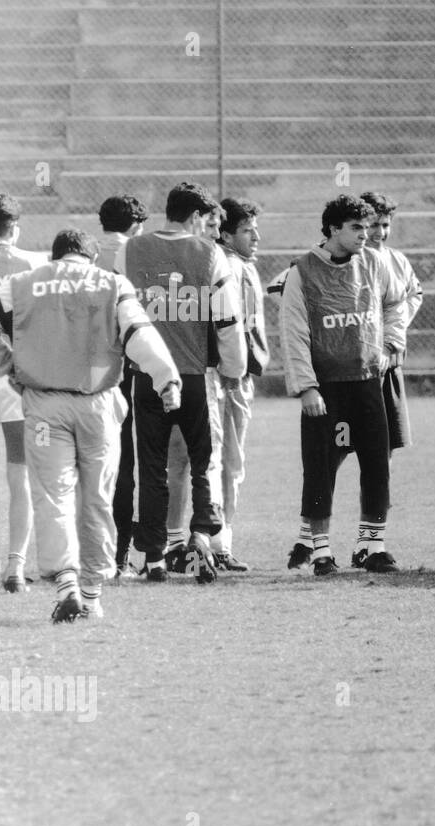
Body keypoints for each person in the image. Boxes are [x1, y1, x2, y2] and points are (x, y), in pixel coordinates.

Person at [0, 229, 180, 622]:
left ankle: (66, 583)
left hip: (44, 403)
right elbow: (138, 333)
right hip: (98, 404)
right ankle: (93, 592)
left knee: (53, 495)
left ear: (55, 256)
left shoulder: (20, 284)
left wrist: (10, 366)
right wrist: (167, 378)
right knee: (97, 496)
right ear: (90, 258)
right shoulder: (112, 283)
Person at [117, 182, 246, 583]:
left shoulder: (129, 250)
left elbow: (118, 310)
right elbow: (227, 322)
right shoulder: (212, 256)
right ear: (194, 218)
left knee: (151, 466)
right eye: (206, 220)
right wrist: (234, 368)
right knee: (204, 463)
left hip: (146, 378)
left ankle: (154, 558)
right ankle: (201, 534)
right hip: (194, 377)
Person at [279, 194, 408, 576]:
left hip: (369, 380)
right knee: (319, 468)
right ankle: (321, 552)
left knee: (376, 464)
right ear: (333, 229)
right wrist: (306, 387)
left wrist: (389, 345)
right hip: (326, 388)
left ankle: (374, 546)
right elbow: (294, 333)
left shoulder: (374, 262)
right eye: (356, 227)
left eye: (368, 227)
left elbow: (395, 303)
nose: (365, 234)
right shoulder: (302, 271)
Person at [353, 191, 423, 568]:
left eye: (384, 225)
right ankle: (316, 544)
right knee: (333, 455)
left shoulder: (397, 260)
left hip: (387, 369)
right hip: (352, 371)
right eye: (372, 225)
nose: (379, 232)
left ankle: (368, 541)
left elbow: (413, 295)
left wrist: (392, 340)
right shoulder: (349, 260)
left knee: (383, 457)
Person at [162, 203, 232, 574]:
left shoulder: (216, 260)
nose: (216, 232)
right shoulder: (178, 263)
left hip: (205, 373)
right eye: (210, 223)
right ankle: (179, 542)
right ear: (195, 222)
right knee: (180, 460)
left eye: (219, 225)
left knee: (211, 459)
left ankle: (213, 542)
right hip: (183, 373)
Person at [209, 197, 266, 571]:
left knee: (223, 460)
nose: (256, 236)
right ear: (226, 234)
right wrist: (235, 370)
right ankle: (218, 543)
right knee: (228, 461)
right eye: (247, 230)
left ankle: (207, 539)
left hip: (236, 372)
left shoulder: (241, 264)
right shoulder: (229, 265)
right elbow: (231, 326)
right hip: (231, 375)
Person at [96, 194, 149, 578]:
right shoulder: (137, 254)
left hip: (81, 371)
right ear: (135, 225)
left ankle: (82, 555)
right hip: (127, 368)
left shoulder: (81, 254)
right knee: (125, 461)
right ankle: (118, 558)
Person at [0, 193, 43, 592]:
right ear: (14, 226)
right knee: (20, 474)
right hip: (16, 380)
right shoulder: (33, 265)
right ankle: (15, 566)